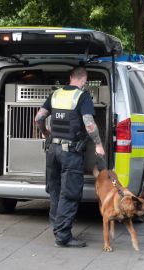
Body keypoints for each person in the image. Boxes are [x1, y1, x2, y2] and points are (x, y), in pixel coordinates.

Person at [34, 67, 105, 248]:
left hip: (52, 150)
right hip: (70, 152)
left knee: (55, 191)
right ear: (83, 80)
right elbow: (89, 124)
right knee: (70, 193)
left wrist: (45, 133)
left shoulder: (56, 94)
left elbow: (38, 118)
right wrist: (98, 144)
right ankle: (63, 236)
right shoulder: (82, 97)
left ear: (70, 77)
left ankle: (57, 229)